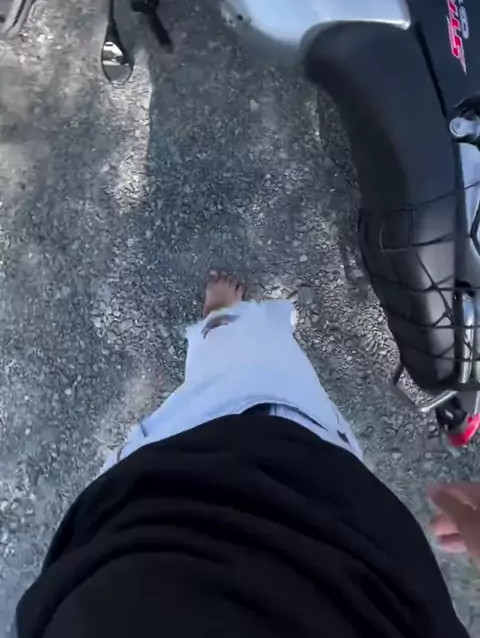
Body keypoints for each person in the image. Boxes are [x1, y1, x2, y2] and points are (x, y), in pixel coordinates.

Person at [15, 273, 474, 637]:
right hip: (325, 508)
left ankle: (224, 325)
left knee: (251, 371)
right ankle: (226, 327)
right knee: (262, 374)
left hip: (151, 510)